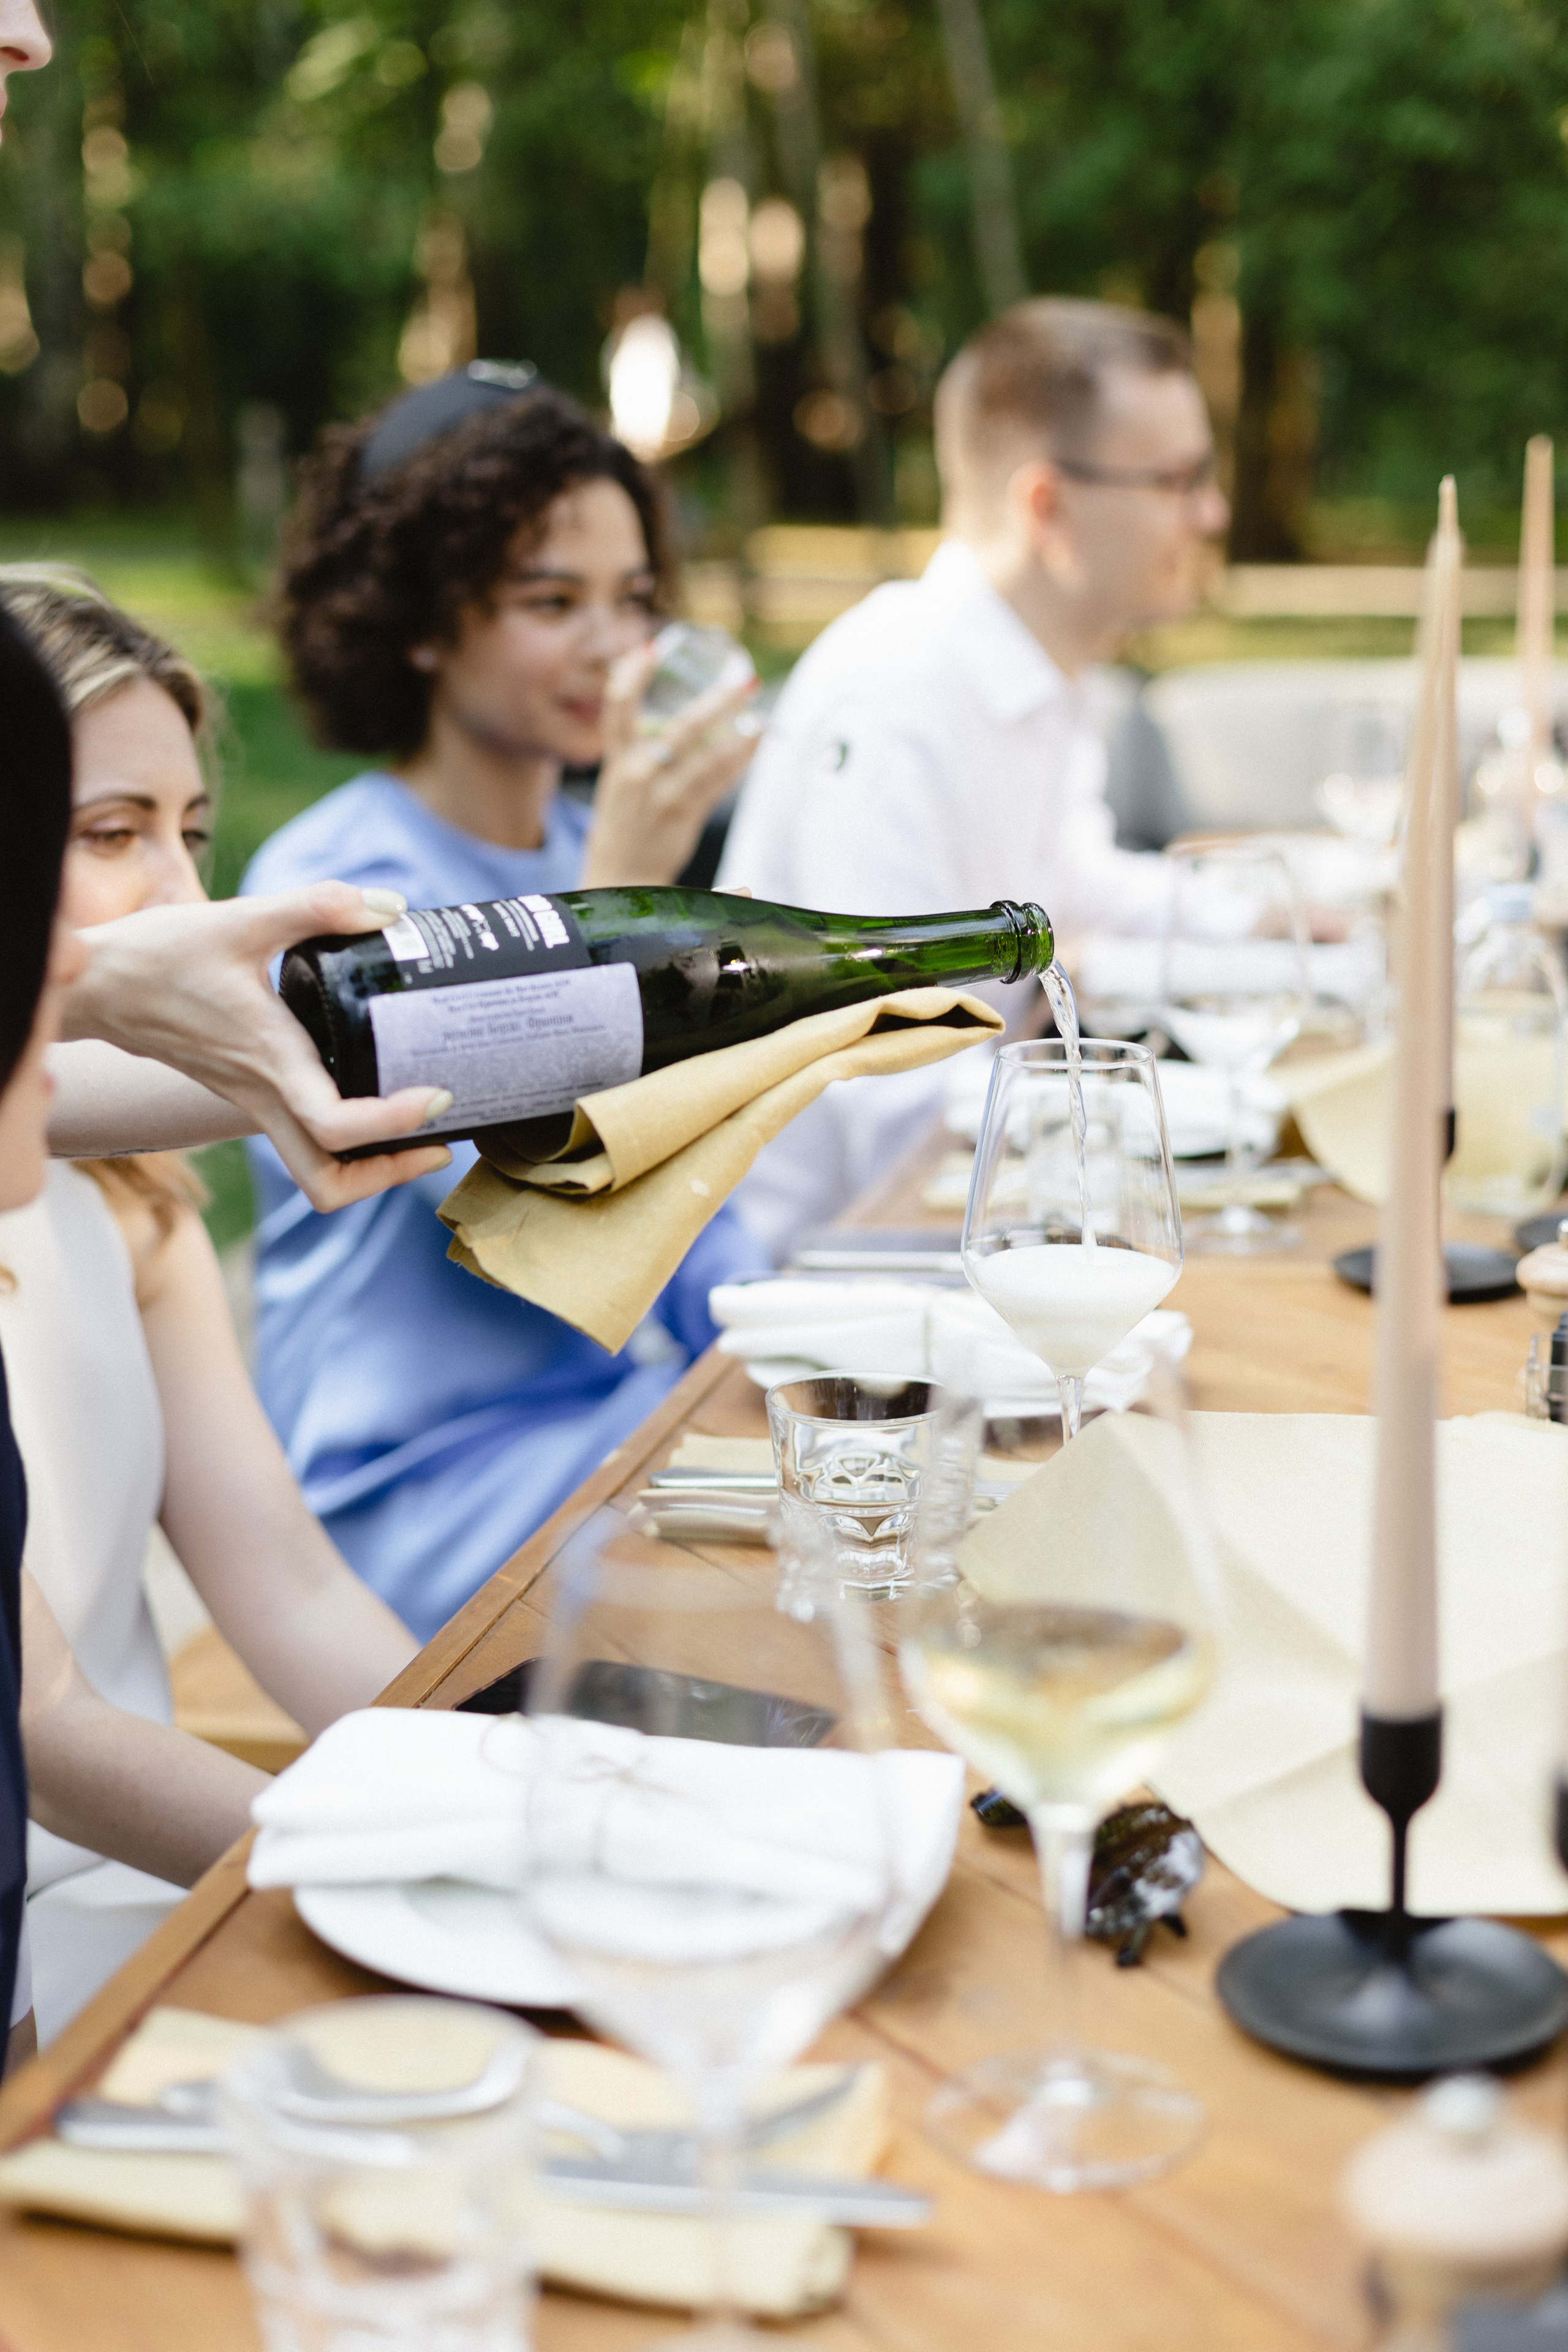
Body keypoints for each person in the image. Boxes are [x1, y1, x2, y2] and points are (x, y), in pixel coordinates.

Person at [241, 375, 767, 1639]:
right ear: (419, 621)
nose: (615, 649)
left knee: (931, 1494)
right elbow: (536, 1222)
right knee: (827, 1605)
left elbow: (700, 1203)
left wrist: (807, 1355)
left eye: (633, 599)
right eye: (551, 601)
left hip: (609, 1433)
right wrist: (613, 911)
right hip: (419, 1492)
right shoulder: (333, 903)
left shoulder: (590, 840)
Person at [0, 570, 421, 2041]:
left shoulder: (128, 1196)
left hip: (171, 1888)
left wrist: (466, 1795)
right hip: (64, 1946)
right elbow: (47, 1737)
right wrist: (391, 1877)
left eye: (191, 835)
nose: (184, 900)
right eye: (110, 836)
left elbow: (291, 1588)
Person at [716, 297, 1233, 1256]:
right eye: (1178, 479)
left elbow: (1080, 887)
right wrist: (1174, 1103)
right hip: (827, 1287)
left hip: (963, 1212)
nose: (1213, 512)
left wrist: (1290, 919)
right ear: (1048, 506)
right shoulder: (897, 695)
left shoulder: (1033, 672)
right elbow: (890, 1088)